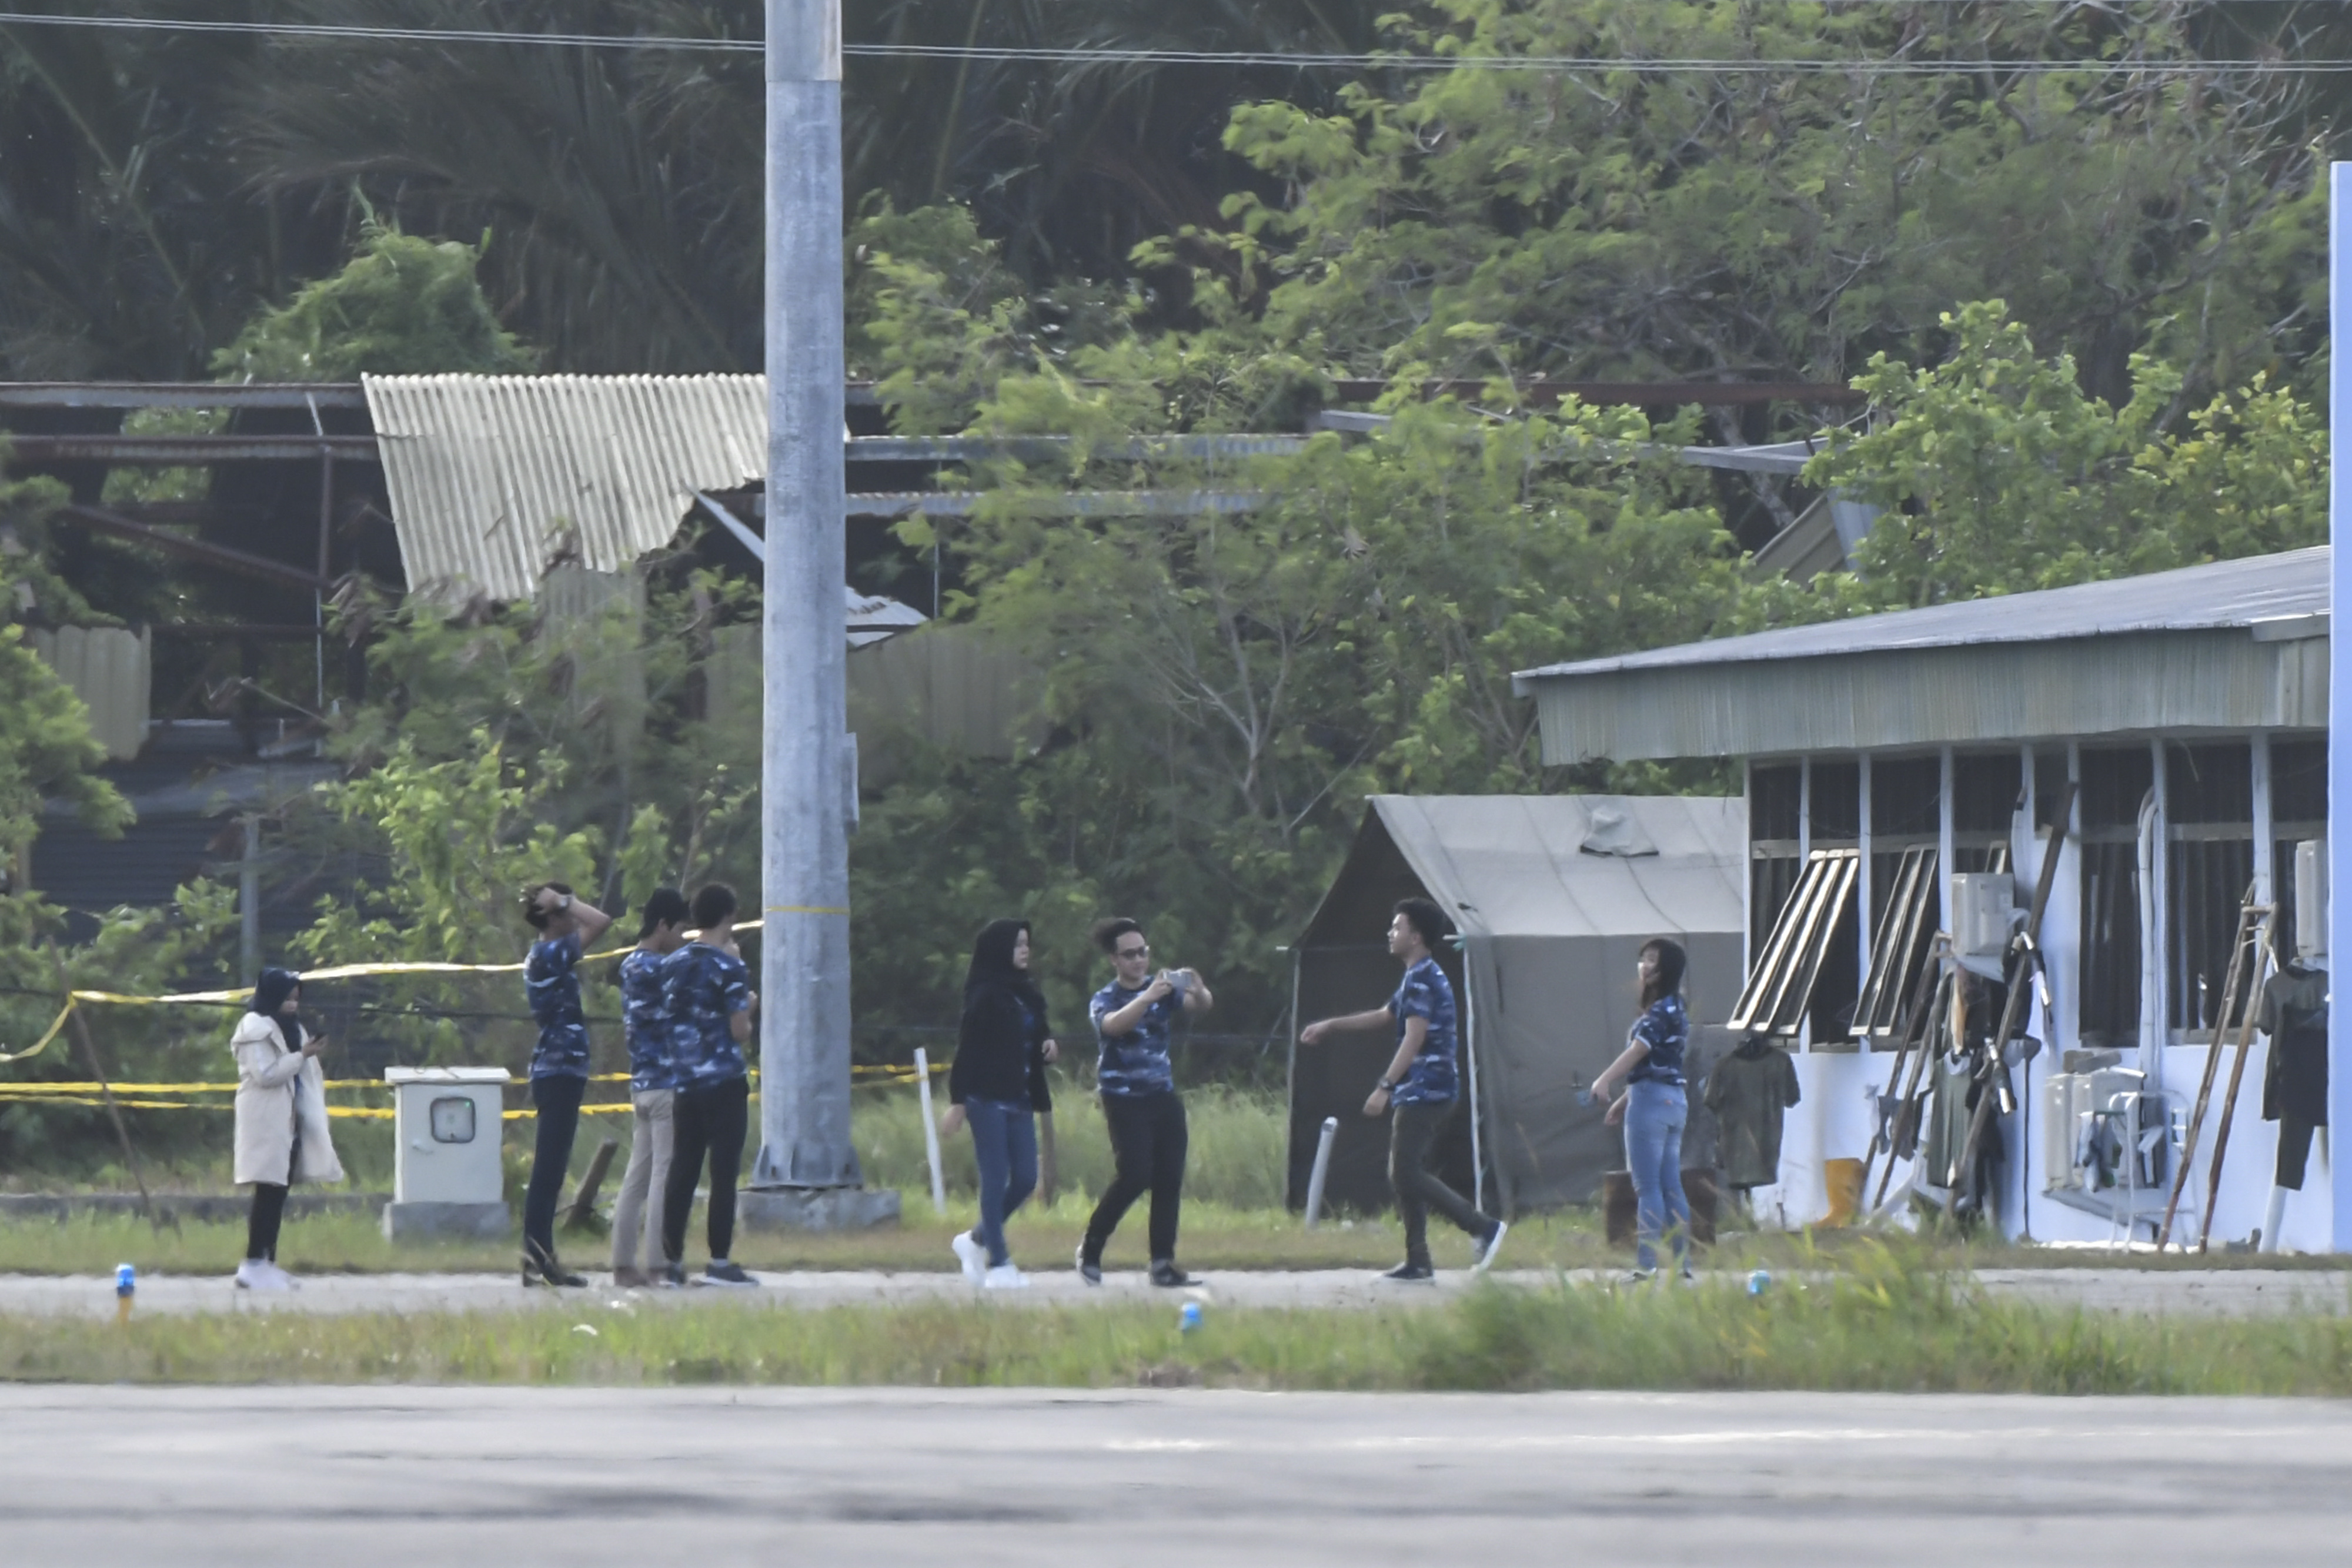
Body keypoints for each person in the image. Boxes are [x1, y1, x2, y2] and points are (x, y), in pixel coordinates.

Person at [1299, 898, 1505, 1282]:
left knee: (1405, 1172)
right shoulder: (1417, 976)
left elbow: (1414, 1037)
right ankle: (1418, 1260)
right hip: (1424, 1087)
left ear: (1416, 936)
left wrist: (1384, 1086)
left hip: (1427, 1088)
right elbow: (1384, 1016)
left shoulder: (1423, 978)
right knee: (1405, 1173)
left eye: (1398, 927)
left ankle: (1482, 1227)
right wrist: (1330, 1025)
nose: (1390, 933)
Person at [1077, 917, 1215, 1288]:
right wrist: (1147, 997)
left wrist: (1199, 989)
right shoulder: (1106, 998)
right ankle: (1092, 1245)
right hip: (1123, 1097)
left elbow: (1200, 1006)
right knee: (1136, 1174)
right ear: (1114, 960)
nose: (1139, 960)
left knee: (1169, 1177)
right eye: (1130, 955)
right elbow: (1113, 1026)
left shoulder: (1163, 990)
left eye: (1144, 952)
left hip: (1161, 1094)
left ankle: (1163, 1263)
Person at [941, 918, 1060, 1289]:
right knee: (995, 1178)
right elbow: (968, 1051)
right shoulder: (984, 996)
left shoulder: (1026, 992)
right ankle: (1000, 1263)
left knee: (1025, 1178)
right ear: (999, 950)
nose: (1025, 950)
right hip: (985, 1098)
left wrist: (1048, 1045)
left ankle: (975, 1239)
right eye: (1018, 944)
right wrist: (958, 1102)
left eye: (1027, 944)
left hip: (1020, 1096)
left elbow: (1035, 1034)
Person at [659, 882, 759, 1288]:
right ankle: (719, 1260)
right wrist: (749, 1006)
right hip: (723, 1079)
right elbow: (739, 1031)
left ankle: (671, 1261)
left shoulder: (671, 965)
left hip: (684, 1081)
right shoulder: (730, 968)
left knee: (682, 1171)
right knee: (723, 1172)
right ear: (729, 916)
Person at [520, 880, 613, 1288]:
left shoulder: (549, 955)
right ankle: (537, 1258)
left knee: (553, 1169)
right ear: (552, 917)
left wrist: (561, 902)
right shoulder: (548, 954)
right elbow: (602, 922)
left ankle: (539, 1257)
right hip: (557, 1070)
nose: (573, 917)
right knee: (548, 1170)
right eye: (565, 912)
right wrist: (563, 901)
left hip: (563, 1070)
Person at [228, 968, 343, 1291]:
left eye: (296, 999)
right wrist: (302, 1055)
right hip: (266, 1118)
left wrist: (308, 1053)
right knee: (267, 1191)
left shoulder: (293, 1028)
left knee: (279, 1191)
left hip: (290, 1119)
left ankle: (267, 1262)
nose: (292, 1005)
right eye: (287, 998)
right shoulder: (255, 1028)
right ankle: (253, 1263)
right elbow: (266, 1075)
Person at [1590, 938, 1693, 1283]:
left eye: (1652, 960)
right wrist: (1624, 1101)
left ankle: (1647, 1266)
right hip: (1674, 1101)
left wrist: (1604, 1080)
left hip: (1650, 1102)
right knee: (1672, 1186)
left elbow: (1639, 1051)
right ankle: (1683, 1266)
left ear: (1666, 969)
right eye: (1643, 959)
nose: (1644, 966)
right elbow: (1661, 1063)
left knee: (1648, 1188)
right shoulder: (1677, 1008)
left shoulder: (1659, 1010)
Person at [610, 887, 691, 1287]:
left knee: (636, 1176)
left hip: (640, 1081)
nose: (682, 937)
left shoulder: (629, 966)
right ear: (662, 925)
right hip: (665, 1084)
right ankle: (659, 1262)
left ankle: (623, 1262)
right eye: (679, 929)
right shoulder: (663, 969)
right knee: (664, 1173)